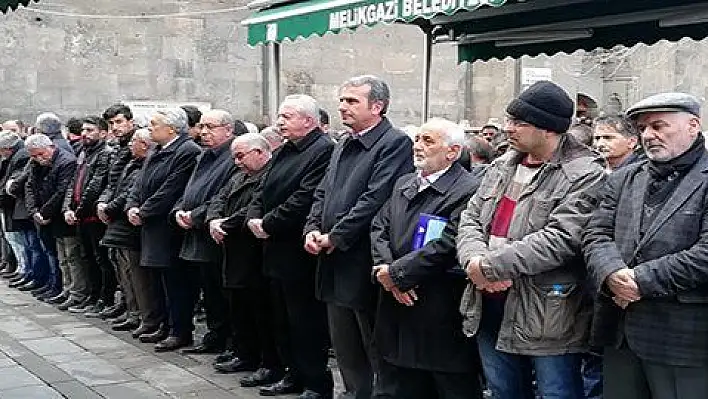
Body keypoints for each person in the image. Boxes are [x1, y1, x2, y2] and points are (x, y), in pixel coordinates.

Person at [456, 80, 605, 399]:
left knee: (557, 391)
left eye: (519, 123)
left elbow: (562, 238)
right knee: (502, 390)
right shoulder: (501, 166)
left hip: (547, 309)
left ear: (549, 129)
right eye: (508, 120)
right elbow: (470, 218)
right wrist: (473, 261)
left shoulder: (585, 174)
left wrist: (490, 267)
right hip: (488, 299)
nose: (508, 128)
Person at [583, 93, 708, 399]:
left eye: (659, 126)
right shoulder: (624, 178)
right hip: (622, 332)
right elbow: (595, 233)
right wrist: (612, 273)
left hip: (685, 338)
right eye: (642, 128)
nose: (648, 135)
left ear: (693, 125)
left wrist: (640, 281)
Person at [304, 75, 414, 399]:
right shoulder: (343, 141)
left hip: (364, 258)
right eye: (341, 100)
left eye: (352, 101)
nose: (342, 107)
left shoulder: (394, 142)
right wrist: (312, 227)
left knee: (373, 342)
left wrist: (335, 236)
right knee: (344, 342)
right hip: (333, 257)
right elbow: (322, 191)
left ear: (377, 106)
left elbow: (375, 198)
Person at [370, 118, 483, 399]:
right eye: (417, 139)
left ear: (453, 151)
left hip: (437, 304)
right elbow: (379, 227)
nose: (418, 147)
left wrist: (398, 274)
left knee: (447, 386)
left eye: (428, 141)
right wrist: (387, 272)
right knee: (398, 383)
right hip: (396, 305)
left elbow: (449, 242)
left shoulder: (468, 189)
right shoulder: (404, 183)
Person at [247, 94, 334, 399]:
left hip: (299, 248)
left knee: (305, 320)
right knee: (281, 317)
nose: (279, 121)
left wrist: (268, 223)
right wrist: (254, 216)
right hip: (273, 247)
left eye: (287, 116)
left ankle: (315, 381)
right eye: (280, 116)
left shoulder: (323, 151)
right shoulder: (285, 150)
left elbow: (305, 197)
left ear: (308, 121)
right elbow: (262, 186)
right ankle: (292, 373)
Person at [206, 133, 281, 388]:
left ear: (260, 152)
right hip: (232, 252)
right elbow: (218, 198)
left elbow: (250, 209)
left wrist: (224, 225)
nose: (237, 162)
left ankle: (266, 361)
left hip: (253, 252)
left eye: (241, 156)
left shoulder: (268, 175)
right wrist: (213, 220)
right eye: (234, 156)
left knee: (259, 311)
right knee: (238, 307)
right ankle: (243, 353)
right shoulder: (238, 175)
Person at [125, 107, 201, 352]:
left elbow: (172, 188)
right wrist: (132, 205)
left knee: (176, 282)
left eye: (154, 125)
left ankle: (180, 330)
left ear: (171, 128)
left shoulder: (187, 151)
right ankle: (165, 324)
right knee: (158, 280)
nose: (150, 129)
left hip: (167, 227)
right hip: (150, 225)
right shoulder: (157, 150)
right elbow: (139, 183)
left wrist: (144, 211)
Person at [173, 110, 237, 354]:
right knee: (208, 289)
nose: (203, 132)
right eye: (201, 127)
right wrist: (180, 209)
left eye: (211, 127)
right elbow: (189, 188)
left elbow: (223, 195)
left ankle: (228, 338)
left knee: (222, 291)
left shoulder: (232, 155)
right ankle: (215, 334)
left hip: (215, 232)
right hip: (195, 232)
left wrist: (196, 215)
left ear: (228, 129)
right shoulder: (204, 156)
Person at [99, 129, 165, 338]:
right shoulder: (131, 162)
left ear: (145, 145)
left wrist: (110, 208)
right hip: (121, 225)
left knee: (139, 278)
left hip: (131, 228)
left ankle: (146, 317)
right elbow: (114, 186)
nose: (130, 145)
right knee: (126, 274)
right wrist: (104, 204)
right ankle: (134, 312)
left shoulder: (145, 166)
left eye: (135, 141)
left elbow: (129, 193)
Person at [62, 116, 114, 315]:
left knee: (101, 260)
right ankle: (92, 296)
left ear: (102, 133)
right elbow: (73, 182)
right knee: (87, 258)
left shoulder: (105, 154)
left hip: (93, 217)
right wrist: (68, 207)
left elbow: (95, 186)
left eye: (90, 130)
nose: (85, 134)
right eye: (83, 130)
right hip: (81, 216)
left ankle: (104, 298)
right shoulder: (84, 153)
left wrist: (79, 210)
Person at [94, 103, 137, 320]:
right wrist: (102, 202)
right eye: (111, 123)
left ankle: (134, 310)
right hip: (113, 212)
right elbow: (111, 181)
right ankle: (127, 305)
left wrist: (110, 207)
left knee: (130, 268)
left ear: (130, 120)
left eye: (119, 122)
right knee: (117, 263)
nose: (115, 127)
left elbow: (132, 185)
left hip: (124, 215)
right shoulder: (118, 146)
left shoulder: (137, 144)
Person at [23, 133, 77, 298]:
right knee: (58, 256)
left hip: (60, 216)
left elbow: (61, 191)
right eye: (34, 156)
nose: (39, 158)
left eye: (41, 154)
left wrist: (44, 212)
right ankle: (60, 287)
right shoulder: (35, 163)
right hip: (43, 215)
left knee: (70, 258)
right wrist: (34, 212)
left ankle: (71, 290)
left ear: (51, 147)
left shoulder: (66, 161)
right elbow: (30, 186)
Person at [0, 133, 30, 281]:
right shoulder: (15, 156)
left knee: (25, 243)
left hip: (18, 206)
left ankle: (26, 271)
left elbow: (15, 182)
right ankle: (22, 269)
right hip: (13, 205)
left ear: (8, 148)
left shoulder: (21, 157)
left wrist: (5, 193)